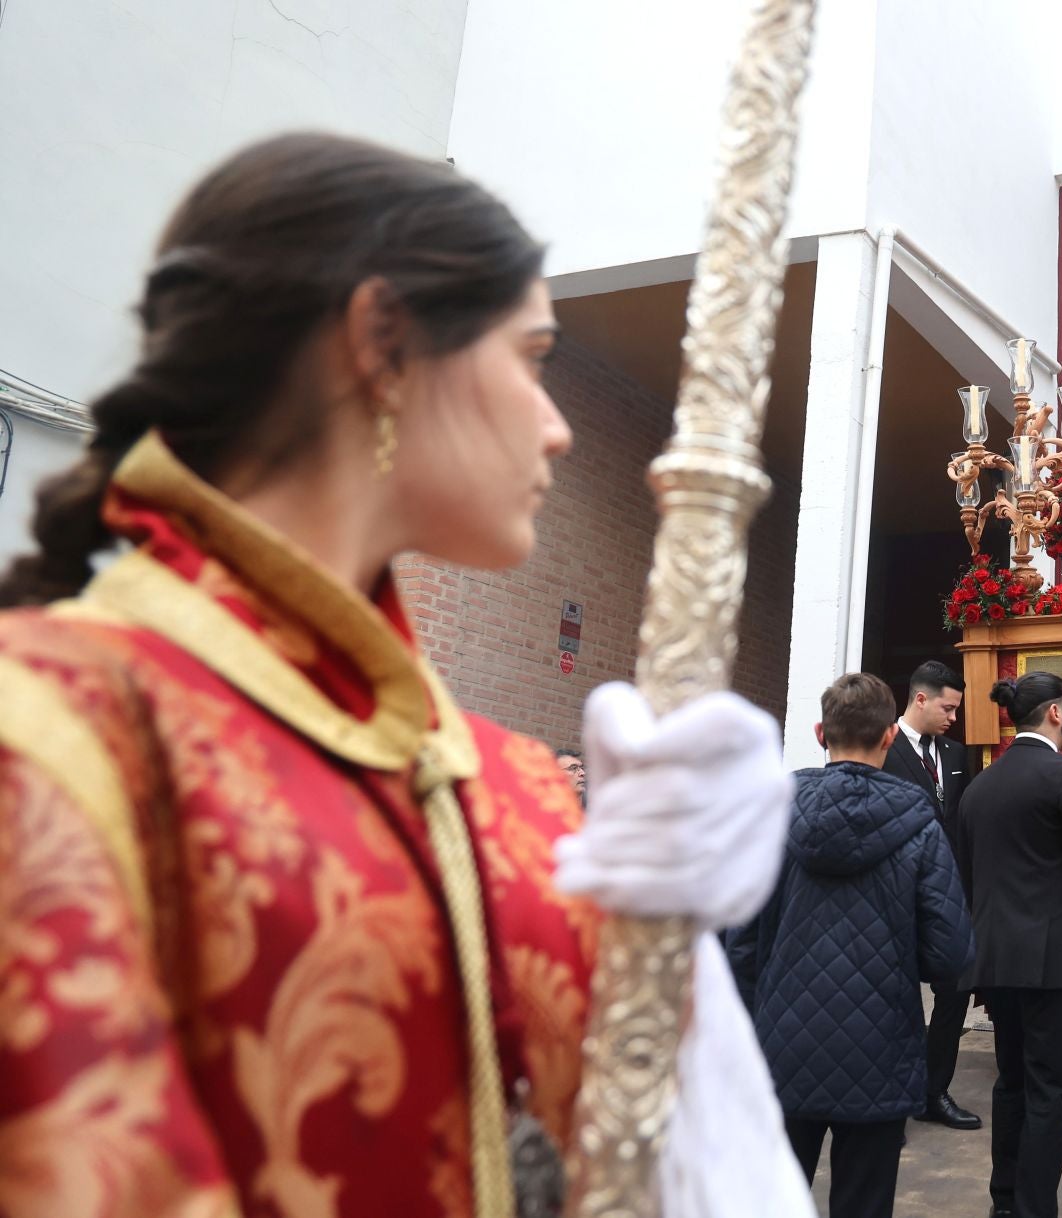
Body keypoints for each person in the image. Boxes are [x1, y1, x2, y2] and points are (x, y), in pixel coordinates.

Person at [0, 133, 812, 1217]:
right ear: (382, 344)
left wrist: (672, 942)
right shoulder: (50, 734)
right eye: (531, 360)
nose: (560, 428)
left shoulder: (517, 785)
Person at [728, 673, 973, 1218]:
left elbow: (740, 943)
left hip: (782, 1038)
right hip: (880, 1043)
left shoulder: (770, 813)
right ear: (889, 736)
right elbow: (951, 953)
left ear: (820, 732)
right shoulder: (920, 823)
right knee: (864, 1202)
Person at [954, 672, 1062, 1218]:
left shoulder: (981, 785)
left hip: (997, 959)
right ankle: (1032, 1209)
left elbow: (968, 878)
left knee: (1012, 1084)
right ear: (1054, 713)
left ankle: (1004, 1202)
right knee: (1052, 1091)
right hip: (1055, 963)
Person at [880, 659, 980, 1131]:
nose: (953, 718)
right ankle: (891, 1101)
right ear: (920, 699)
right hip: (896, 900)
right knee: (894, 1002)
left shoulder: (958, 756)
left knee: (955, 993)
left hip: (949, 900)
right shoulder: (882, 747)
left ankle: (933, 1092)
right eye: (948, 707)